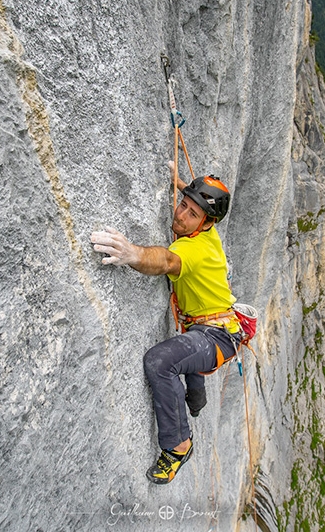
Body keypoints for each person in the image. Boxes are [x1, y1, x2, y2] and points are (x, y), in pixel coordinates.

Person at [90, 163, 241, 484]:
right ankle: (196, 399)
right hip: (207, 328)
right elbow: (197, 205)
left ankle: (178, 445)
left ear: (206, 223)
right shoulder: (208, 230)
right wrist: (180, 182)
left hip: (217, 337)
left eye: (191, 214)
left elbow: (167, 261)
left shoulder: (193, 249)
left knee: (161, 361)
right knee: (189, 355)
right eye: (182, 204)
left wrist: (133, 254)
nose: (181, 215)